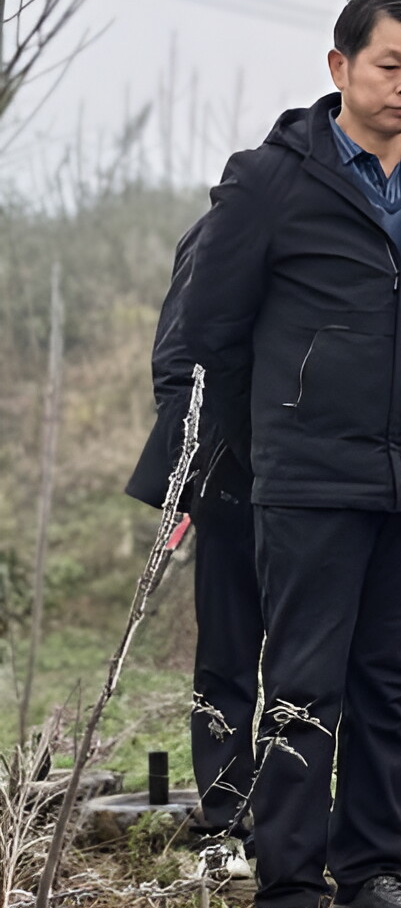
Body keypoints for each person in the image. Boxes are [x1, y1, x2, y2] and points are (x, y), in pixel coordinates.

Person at [182, 0, 401, 908]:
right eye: (389, 66)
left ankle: (375, 879)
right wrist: (250, 454)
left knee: (391, 684)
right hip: (310, 478)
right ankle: (288, 895)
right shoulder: (274, 180)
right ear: (339, 70)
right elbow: (212, 333)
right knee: (303, 684)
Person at [126, 218, 257, 845]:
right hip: (232, 485)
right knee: (229, 658)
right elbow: (177, 363)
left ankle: (311, 828)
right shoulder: (218, 231)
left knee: (319, 665)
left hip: (326, 486)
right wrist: (197, 466)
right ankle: (228, 823)